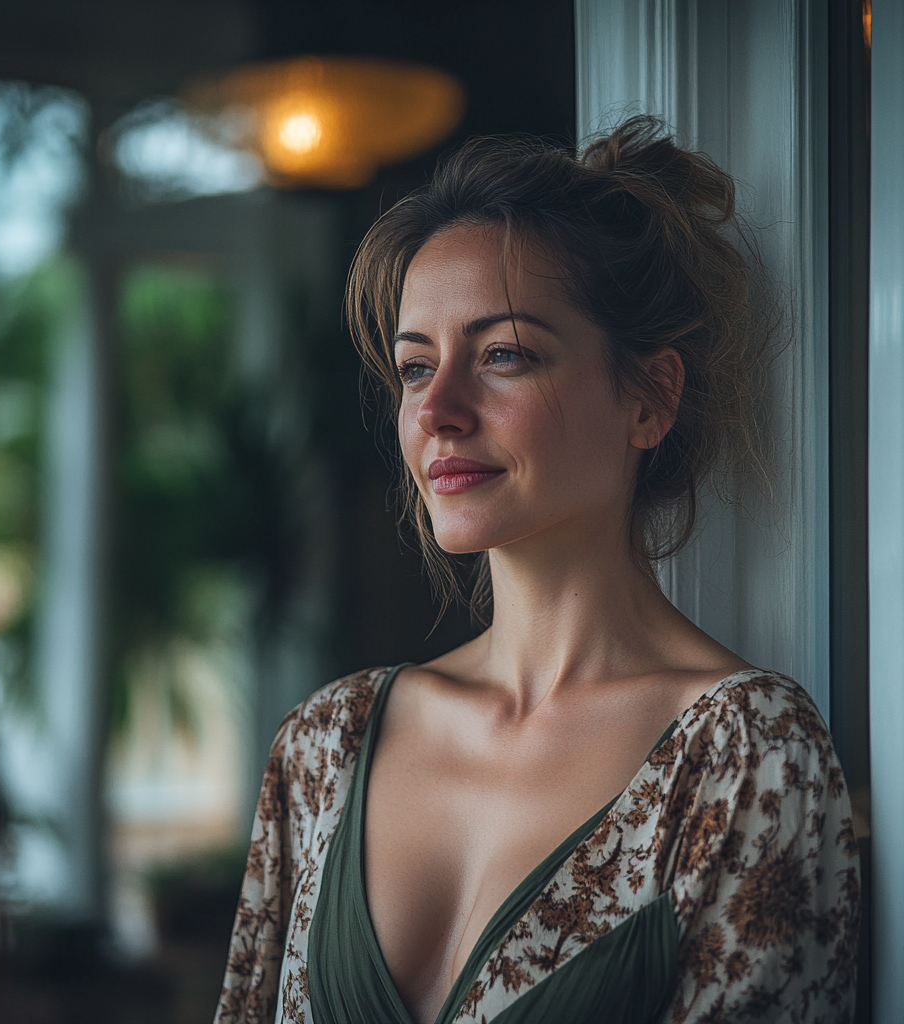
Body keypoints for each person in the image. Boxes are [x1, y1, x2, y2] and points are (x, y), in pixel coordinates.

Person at [215, 117, 859, 1024]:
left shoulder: (743, 754)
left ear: (649, 397)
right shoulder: (326, 746)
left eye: (503, 354)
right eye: (414, 367)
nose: (438, 409)